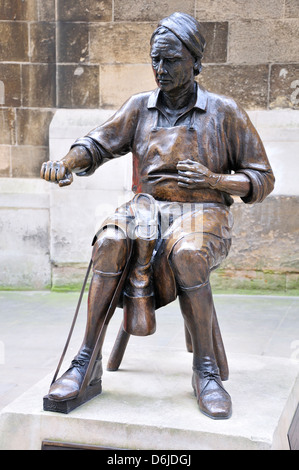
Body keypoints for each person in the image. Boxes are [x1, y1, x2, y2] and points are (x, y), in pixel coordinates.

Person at [41, 12, 274, 420]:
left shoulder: (224, 112)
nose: (160, 70)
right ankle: (86, 362)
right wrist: (65, 162)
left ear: (195, 62)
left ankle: (205, 372)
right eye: (155, 60)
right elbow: (96, 143)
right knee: (111, 240)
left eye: (171, 61)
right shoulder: (140, 107)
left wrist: (216, 179)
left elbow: (262, 178)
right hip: (146, 209)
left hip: (205, 212)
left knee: (188, 252)